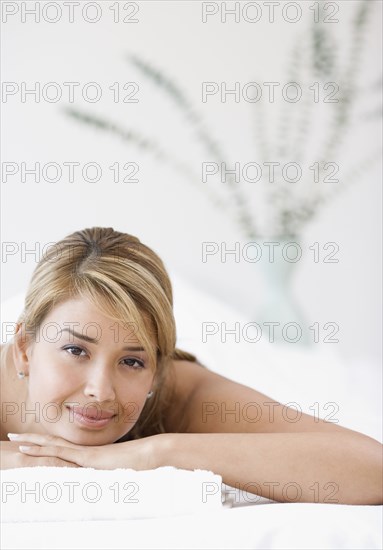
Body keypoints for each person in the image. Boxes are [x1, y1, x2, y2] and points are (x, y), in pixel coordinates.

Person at [0, 227, 382, 505]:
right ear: (24, 350)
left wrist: (157, 453)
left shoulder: (178, 392)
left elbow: (372, 470)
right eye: (76, 351)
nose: (101, 390)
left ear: (156, 369)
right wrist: (18, 459)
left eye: (132, 361)